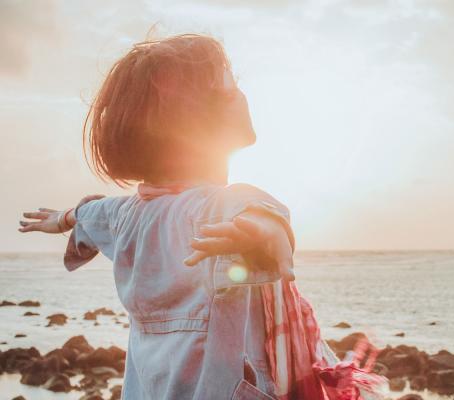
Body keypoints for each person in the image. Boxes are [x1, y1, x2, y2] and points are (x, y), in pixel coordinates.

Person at [19, 34, 386, 400]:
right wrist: (261, 235)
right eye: (229, 85)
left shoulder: (125, 215)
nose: (241, 94)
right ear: (191, 117)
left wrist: (63, 218)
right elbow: (258, 213)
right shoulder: (219, 207)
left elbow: (89, 215)